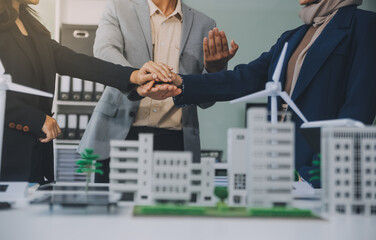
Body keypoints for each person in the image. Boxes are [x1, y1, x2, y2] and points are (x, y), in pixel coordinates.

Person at [140, 0, 376, 187]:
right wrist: (180, 82)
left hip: (316, 170)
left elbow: (357, 110)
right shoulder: (292, 37)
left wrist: (320, 173)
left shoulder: (364, 26)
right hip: (276, 165)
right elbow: (244, 79)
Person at [0, 0, 174, 183]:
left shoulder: (33, 28)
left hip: (36, 153)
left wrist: (134, 76)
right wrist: (35, 119)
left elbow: (77, 63)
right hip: (7, 151)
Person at [78, 0, 238, 183]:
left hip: (176, 141)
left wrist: (214, 71)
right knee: (110, 209)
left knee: (168, 211)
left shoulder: (205, 24)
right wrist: (136, 77)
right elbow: (104, 51)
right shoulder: (118, 8)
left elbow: (206, 102)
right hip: (119, 135)